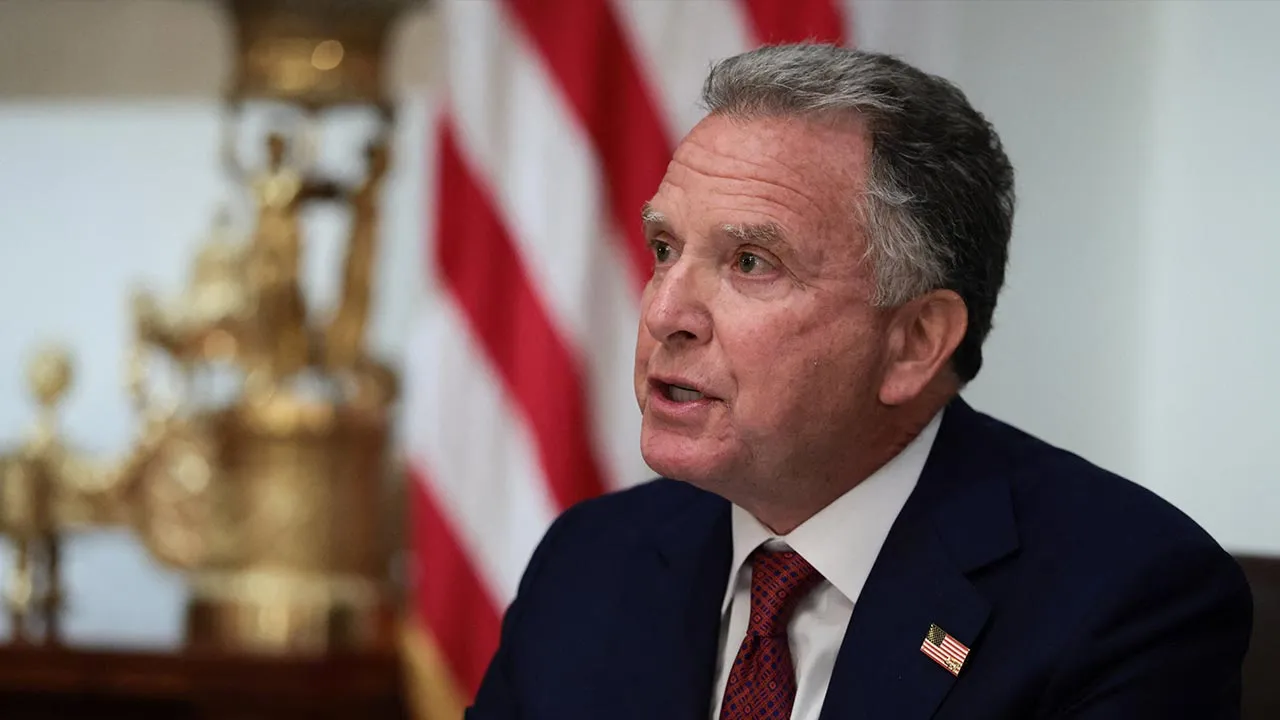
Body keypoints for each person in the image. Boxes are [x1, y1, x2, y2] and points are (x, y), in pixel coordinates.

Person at [466, 44, 1252, 720]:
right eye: (665, 248)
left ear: (914, 341)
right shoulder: (592, 561)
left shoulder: (1124, 598)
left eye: (750, 263)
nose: (666, 310)